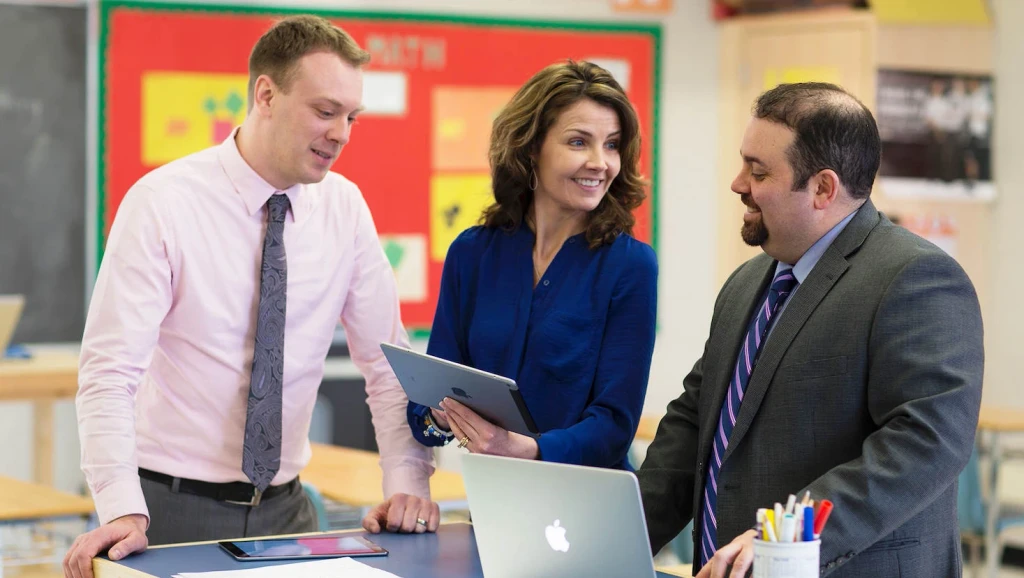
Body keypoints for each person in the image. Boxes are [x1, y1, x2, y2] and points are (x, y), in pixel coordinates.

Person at [64, 16, 439, 578]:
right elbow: (109, 373)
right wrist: (120, 506)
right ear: (266, 94)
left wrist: (407, 485)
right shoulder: (163, 203)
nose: (342, 133)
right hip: (166, 512)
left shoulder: (345, 209)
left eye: (351, 117)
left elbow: (388, 368)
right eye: (324, 111)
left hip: (289, 512)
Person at [637, 82, 983, 577]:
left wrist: (787, 537)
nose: (738, 184)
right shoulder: (746, 282)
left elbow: (927, 441)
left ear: (823, 188)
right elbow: (696, 424)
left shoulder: (916, 277)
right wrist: (619, 536)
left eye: (758, 172)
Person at [406, 60, 657, 469]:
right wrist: (440, 414)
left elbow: (614, 425)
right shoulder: (472, 254)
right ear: (530, 148)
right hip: (494, 498)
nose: (600, 162)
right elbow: (425, 408)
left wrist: (530, 449)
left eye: (611, 144)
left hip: (588, 501)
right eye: (579, 142)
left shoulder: (630, 265)